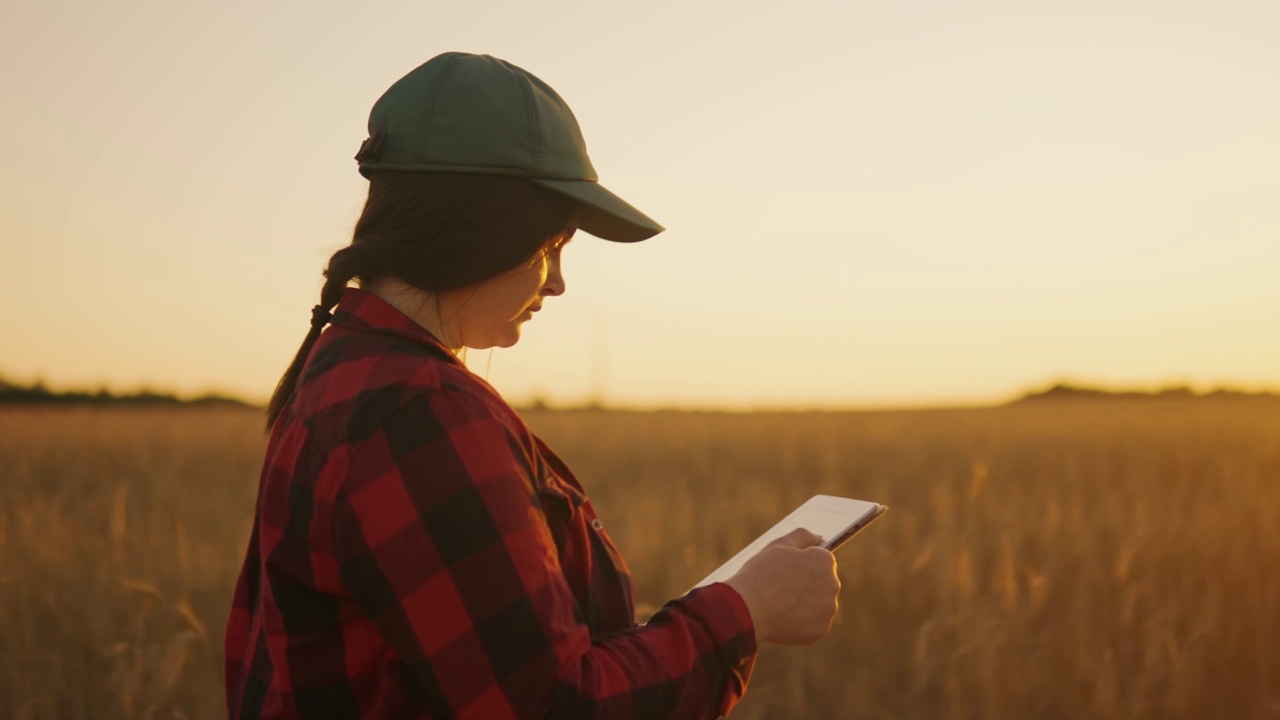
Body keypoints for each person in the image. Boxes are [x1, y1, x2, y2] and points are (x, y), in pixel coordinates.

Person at [223, 51, 841, 720]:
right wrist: (746, 608)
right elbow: (558, 706)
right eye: (554, 245)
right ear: (483, 227)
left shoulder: (344, 366)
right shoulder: (420, 414)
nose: (557, 282)